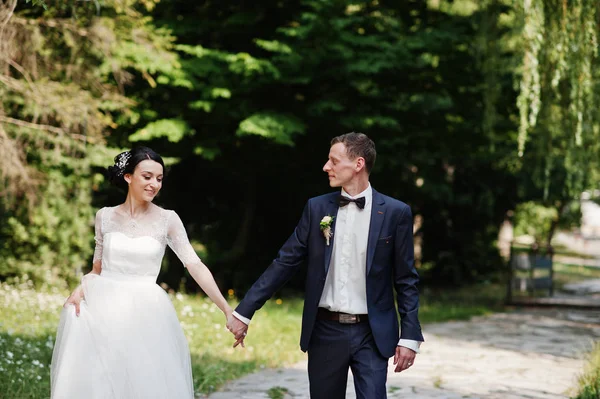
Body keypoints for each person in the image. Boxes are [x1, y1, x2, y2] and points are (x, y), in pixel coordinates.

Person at [227, 132, 424, 399]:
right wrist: (244, 312)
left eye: (334, 160)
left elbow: (406, 280)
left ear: (358, 164)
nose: (326, 167)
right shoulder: (317, 208)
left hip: (373, 333)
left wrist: (409, 336)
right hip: (325, 331)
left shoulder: (395, 212)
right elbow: (285, 262)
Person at [50, 146, 235, 398]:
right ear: (128, 177)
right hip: (104, 307)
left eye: (159, 179)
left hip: (147, 313)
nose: (154, 184)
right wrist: (79, 289)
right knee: (101, 382)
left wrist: (226, 308)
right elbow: (97, 270)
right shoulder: (104, 216)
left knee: (143, 382)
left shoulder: (168, 219)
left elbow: (194, 264)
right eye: (147, 176)